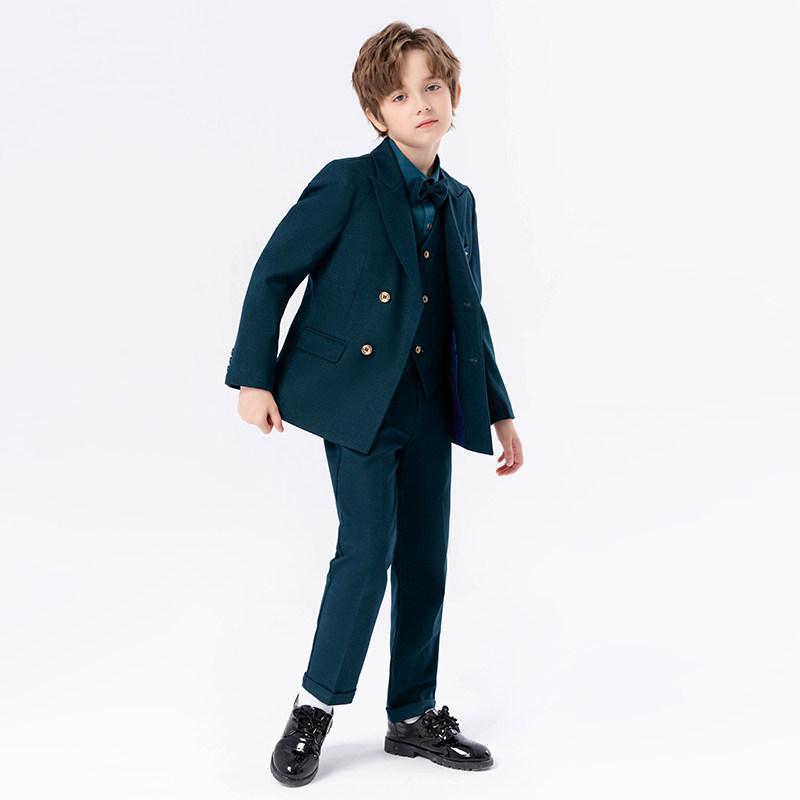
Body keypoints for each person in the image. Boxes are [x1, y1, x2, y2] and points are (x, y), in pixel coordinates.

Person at [225, 21, 524, 786]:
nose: (421, 103)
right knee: (367, 550)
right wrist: (254, 378)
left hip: (431, 403)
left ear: (456, 96)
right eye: (399, 95)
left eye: (433, 87)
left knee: (425, 555)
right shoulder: (347, 182)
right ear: (374, 114)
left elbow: (470, 314)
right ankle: (314, 707)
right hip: (360, 402)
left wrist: (498, 409)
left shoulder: (459, 201)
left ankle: (412, 715)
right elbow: (273, 272)